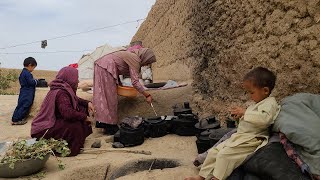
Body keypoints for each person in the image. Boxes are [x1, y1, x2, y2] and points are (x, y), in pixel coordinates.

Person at [185, 67, 280, 180]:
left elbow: (265, 119)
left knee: (225, 155)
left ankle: (217, 178)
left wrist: (245, 112)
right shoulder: (256, 104)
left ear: (265, 90)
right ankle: (202, 176)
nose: (250, 96)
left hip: (252, 139)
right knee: (214, 152)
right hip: (240, 137)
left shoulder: (270, 103)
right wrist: (239, 118)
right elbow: (249, 123)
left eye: (252, 92)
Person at [31, 66, 94, 156]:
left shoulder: (62, 89)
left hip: (52, 122)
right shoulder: (61, 92)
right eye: (76, 78)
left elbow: (75, 99)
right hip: (43, 129)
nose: (78, 81)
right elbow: (67, 113)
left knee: (82, 109)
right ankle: (67, 149)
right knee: (76, 126)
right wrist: (85, 117)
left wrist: (87, 103)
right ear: (69, 78)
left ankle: (74, 141)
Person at [93, 48, 156, 134]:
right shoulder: (135, 59)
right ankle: (110, 126)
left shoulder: (132, 56)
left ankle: (103, 123)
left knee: (103, 96)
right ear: (146, 57)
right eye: (148, 61)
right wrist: (147, 95)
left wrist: (118, 83)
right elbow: (135, 82)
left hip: (102, 65)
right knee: (110, 97)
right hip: (106, 67)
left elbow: (116, 64)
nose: (147, 64)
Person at [12, 57, 38, 125]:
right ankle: (17, 120)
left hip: (23, 91)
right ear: (30, 65)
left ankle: (15, 118)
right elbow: (31, 82)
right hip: (27, 92)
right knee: (25, 105)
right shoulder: (27, 73)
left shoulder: (23, 73)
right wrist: (36, 81)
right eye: (33, 67)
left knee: (20, 105)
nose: (33, 69)